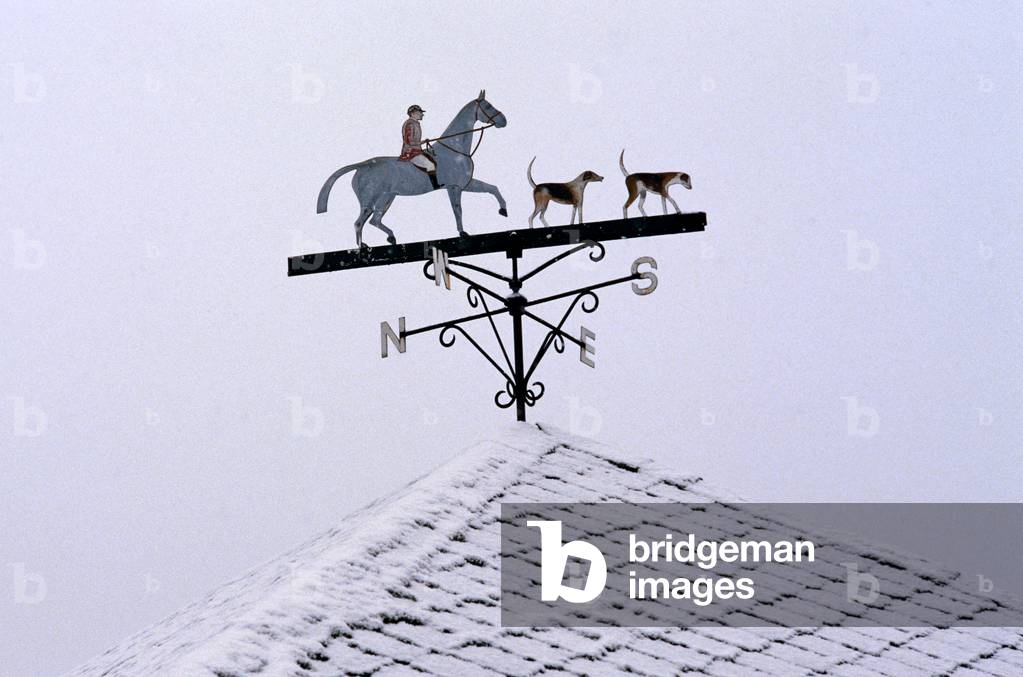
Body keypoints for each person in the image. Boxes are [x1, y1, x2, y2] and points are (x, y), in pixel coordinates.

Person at [400, 105, 436, 173]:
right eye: (419, 113)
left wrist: (423, 142)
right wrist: (421, 142)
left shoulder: (415, 123)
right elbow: (409, 142)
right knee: (430, 165)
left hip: (416, 151)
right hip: (410, 152)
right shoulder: (410, 124)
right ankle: (435, 184)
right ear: (413, 114)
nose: (422, 114)